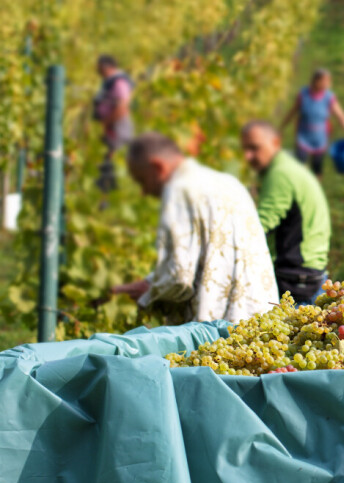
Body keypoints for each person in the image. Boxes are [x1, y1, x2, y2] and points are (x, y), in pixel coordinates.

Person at [112, 132, 278, 324]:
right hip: (262, 317)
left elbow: (178, 277)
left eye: (142, 181)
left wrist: (146, 295)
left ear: (157, 167)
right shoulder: (229, 183)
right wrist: (151, 281)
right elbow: (209, 254)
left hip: (219, 329)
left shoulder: (179, 190)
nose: (144, 191)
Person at [241, 120, 331, 306]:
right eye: (245, 150)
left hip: (297, 277)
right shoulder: (287, 168)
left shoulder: (280, 174)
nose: (248, 156)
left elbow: (259, 227)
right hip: (309, 271)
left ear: (275, 142)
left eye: (254, 148)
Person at [280, 68, 344, 177]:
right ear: (315, 81)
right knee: (299, 162)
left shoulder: (329, 98)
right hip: (303, 136)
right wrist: (282, 127)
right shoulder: (303, 95)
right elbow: (292, 112)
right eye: (324, 81)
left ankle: (316, 187)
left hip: (320, 137)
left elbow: (341, 116)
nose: (328, 84)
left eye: (329, 81)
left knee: (317, 165)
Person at [93, 55, 135, 193]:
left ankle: (113, 193)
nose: (98, 73)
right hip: (112, 126)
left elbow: (122, 107)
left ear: (107, 67)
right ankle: (106, 192)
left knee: (114, 159)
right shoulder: (111, 82)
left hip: (118, 127)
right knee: (107, 159)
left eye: (100, 70)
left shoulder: (119, 82)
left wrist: (106, 122)